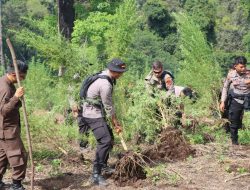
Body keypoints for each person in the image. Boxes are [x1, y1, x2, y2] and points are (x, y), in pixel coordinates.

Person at [80, 58, 126, 186]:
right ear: (114, 71)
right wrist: (115, 123)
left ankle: (104, 166)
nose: (122, 75)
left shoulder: (105, 75)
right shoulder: (105, 84)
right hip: (92, 115)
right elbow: (108, 106)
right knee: (105, 141)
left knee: (109, 138)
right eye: (120, 72)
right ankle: (96, 174)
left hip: (96, 112)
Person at [0, 60, 28, 190]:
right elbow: (4, 111)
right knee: (19, 156)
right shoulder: (5, 87)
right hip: (7, 130)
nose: (23, 79)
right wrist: (16, 97)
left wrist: (17, 99)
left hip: (4, 130)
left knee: (2, 157)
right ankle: (16, 185)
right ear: (14, 73)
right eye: (22, 76)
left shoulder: (6, 82)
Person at [220, 56, 250, 145]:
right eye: (241, 67)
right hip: (236, 100)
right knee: (233, 122)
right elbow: (225, 88)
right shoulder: (231, 75)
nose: (243, 68)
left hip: (248, 99)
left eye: (245, 66)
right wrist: (222, 102)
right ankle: (235, 143)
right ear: (235, 66)